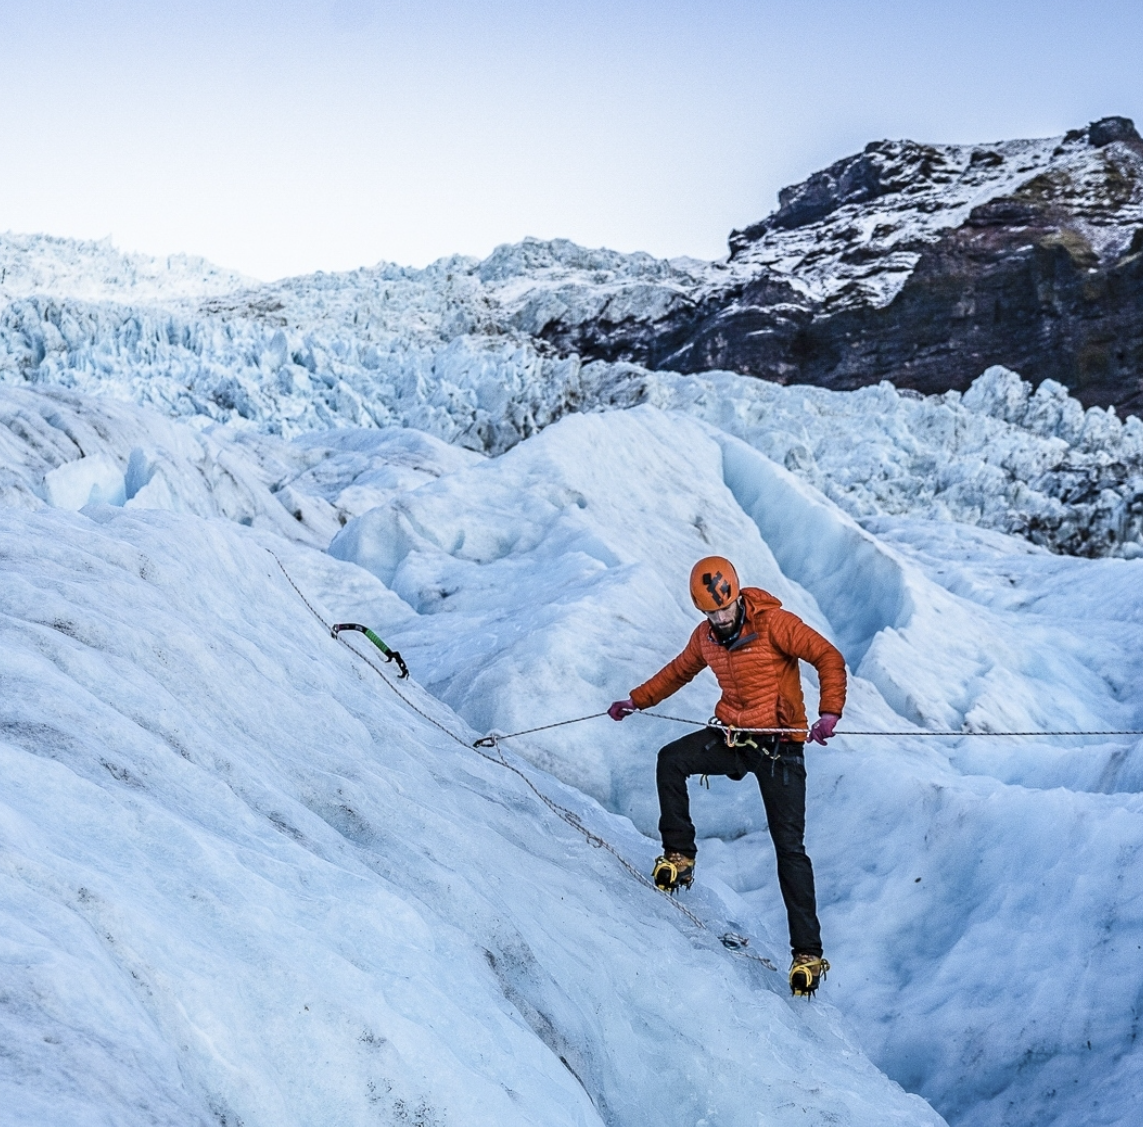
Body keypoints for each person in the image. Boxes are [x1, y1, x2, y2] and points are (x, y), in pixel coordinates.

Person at [608, 555, 846, 996]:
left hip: (781, 749)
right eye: (711, 612)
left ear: (736, 595)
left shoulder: (776, 624)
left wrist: (829, 712)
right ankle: (679, 857)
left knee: (789, 849)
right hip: (735, 739)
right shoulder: (706, 638)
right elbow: (678, 672)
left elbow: (826, 657)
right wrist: (636, 701)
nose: (720, 618)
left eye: (725, 607)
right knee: (671, 760)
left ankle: (807, 957)